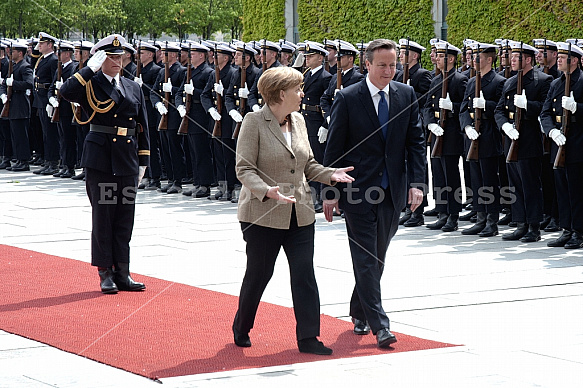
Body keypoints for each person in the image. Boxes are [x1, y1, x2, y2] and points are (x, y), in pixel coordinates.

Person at [232, 66, 354, 355]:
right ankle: (242, 325)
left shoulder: (298, 120)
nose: (302, 94)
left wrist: (329, 174)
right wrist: (265, 190)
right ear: (281, 93)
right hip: (262, 214)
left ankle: (309, 338)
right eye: (298, 89)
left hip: (299, 212)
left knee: (304, 275)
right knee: (259, 274)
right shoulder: (253, 121)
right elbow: (243, 168)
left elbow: (308, 164)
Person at [323, 39, 425, 348]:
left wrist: (417, 183)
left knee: (377, 255)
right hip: (356, 190)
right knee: (366, 256)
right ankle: (380, 324)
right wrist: (330, 190)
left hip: (392, 189)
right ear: (367, 64)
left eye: (393, 64)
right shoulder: (348, 97)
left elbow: (415, 143)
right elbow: (335, 147)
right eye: (382, 65)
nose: (388, 70)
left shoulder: (406, 94)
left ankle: (359, 309)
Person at [59, 34, 150, 294]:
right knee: (104, 217)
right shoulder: (91, 84)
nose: (117, 61)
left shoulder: (133, 87)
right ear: (101, 59)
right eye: (111, 57)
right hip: (101, 160)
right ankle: (105, 272)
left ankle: (123, 271)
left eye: (121, 57)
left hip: (128, 160)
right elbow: (65, 92)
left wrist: (143, 160)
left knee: (125, 218)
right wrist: (88, 68)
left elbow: (143, 126)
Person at [494, 41, 552, 242]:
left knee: (530, 185)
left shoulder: (542, 80)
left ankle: (533, 227)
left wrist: (528, 105)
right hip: (510, 140)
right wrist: (505, 127)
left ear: (528, 59)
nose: (512, 60)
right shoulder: (510, 82)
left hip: (528, 140)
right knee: (515, 184)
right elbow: (499, 110)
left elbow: (546, 108)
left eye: (516, 57)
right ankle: (520, 223)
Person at [459, 42, 506, 237]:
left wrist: (486, 105)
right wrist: (467, 126)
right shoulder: (472, 81)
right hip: (473, 137)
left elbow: (501, 108)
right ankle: (480, 217)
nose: (474, 60)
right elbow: (463, 109)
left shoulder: (498, 81)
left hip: (488, 136)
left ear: (489, 59)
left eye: (478, 57)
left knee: (488, 181)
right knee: (476, 179)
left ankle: (491, 221)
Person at [540, 42, 583, 248]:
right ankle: (566, 228)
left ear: (574, 60)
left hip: (577, 143)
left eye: (563, 57)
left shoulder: (582, 81)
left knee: (576, 190)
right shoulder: (557, 84)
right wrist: (551, 131)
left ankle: (578, 230)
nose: (558, 59)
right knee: (562, 189)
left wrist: (577, 108)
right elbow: (545, 112)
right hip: (559, 142)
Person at [0, 41, 33, 171]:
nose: (10, 53)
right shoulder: (13, 66)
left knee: (21, 135)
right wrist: (3, 95)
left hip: (21, 105)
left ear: (20, 53)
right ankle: (19, 159)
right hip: (12, 104)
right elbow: (4, 84)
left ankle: (24, 161)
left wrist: (14, 84)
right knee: (15, 135)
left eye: (13, 51)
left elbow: (29, 83)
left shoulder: (25, 66)